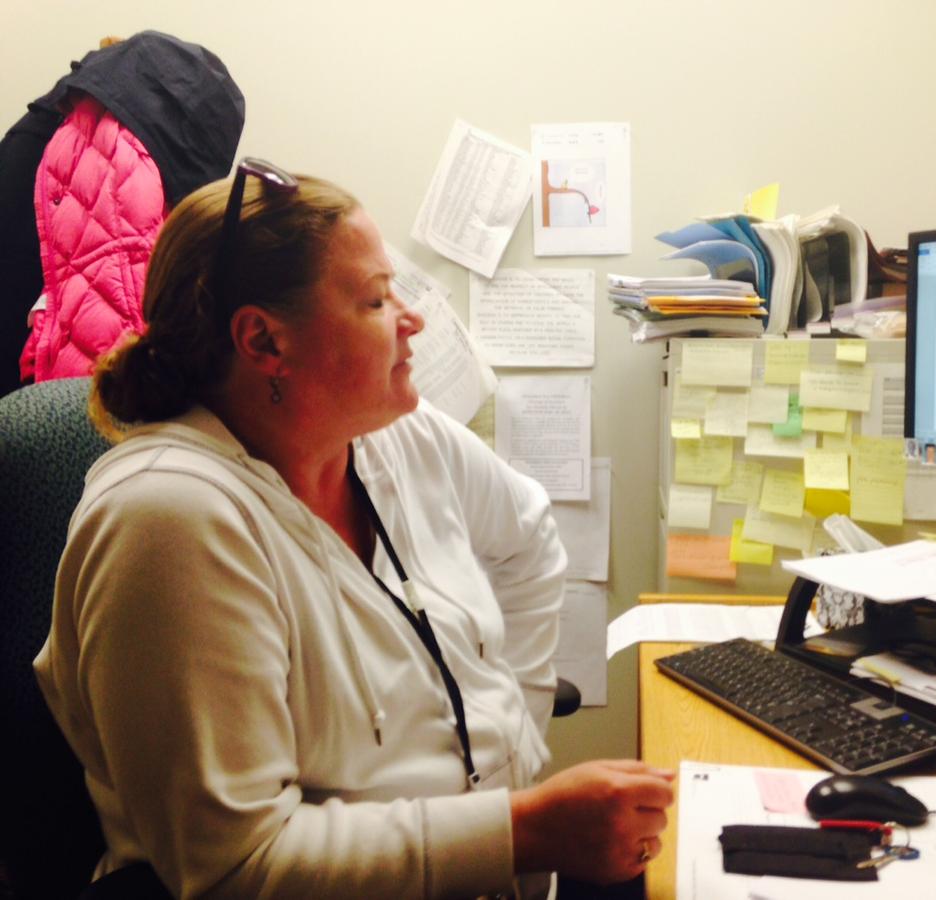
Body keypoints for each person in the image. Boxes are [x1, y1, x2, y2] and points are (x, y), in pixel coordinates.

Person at [34, 158, 674, 899]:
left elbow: (528, 535)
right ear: (264, 341)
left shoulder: (394, 434)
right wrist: (523, 828)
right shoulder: (168, 523)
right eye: (375, 299)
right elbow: (238, 867)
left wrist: (518, 740)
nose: (412, 318)